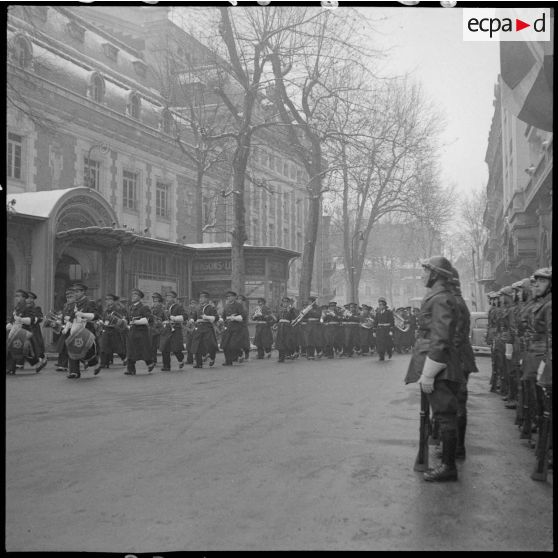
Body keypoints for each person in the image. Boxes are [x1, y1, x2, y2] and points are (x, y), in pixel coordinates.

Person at [405, 256, 463, 482]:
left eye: (425, 271)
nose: (422, 275)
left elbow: (441, 338)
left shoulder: (441, 299)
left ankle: (449, 467)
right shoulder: (439, 296)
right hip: (435, 360)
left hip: (439, 363)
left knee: (445, 414)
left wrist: (429, 372)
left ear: (436, 274)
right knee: (442, 413)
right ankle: (447, 464)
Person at [447, 267, 478, 460]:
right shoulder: (458, 301)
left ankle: (457, 447)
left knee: (457, 403)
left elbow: (455, 337)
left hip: (456, 358)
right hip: (460, 357)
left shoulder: (454, 303)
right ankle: (457, 446)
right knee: (457, 403)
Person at [6, 289, 46, 374]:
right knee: (11, 348)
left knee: (26, 350)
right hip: (16, 330)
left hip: (25, 331)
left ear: (24, 297)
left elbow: (31, 319)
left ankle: (38, 361)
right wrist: (10, 324)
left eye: (19, 296)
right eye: (16, 296)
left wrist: (21, 319)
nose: (17, 298)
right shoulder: (17, 307)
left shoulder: (28, 307)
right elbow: (13, 319)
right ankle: (10, 368)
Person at [65, 283, 100, 379]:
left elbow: (96, 315)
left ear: (83, 292)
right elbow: (72, 317)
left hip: (87, 329)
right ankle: (74, 371)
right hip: (75, 330)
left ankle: (95, 363)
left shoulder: (90, 302)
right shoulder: (74, 304)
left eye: (77, 292)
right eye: (74, 292)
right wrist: (67, 326)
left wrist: (83, 314)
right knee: (73, 348)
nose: (75, 294)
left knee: (88, 350)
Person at [94, 294, 127, 375]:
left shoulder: (117, 309)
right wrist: (101, 322)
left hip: (114, 330)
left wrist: (115, 322)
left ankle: (125, 359)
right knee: (103, 347)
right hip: (106, 330)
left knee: (118, 348)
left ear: (113, 300)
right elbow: (103, 318)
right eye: (106, 299)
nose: (107, 301)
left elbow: (122, 320)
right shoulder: (106, 310)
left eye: (109, 299)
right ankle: (102, 364)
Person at [125, 288, 155, 375]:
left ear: (139, 297)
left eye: (135, 295)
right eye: (133, 295)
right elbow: (128, 319)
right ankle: (131, 369)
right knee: (131, 350)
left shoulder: (143, 307)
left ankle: (150, 363)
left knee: (143, 350)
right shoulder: (131, 307)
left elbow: (149, 319)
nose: (133, 297)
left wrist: (136, 321)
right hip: (132, 332)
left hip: (141, 333)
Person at [190, 291, 219, 368]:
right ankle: (199, 363)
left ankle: (212, 357)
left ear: (207, 299)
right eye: (200, 298)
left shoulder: (211, 307)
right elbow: (194, 316)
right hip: (199, 328)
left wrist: (206, 317)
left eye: (203, 298)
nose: (200, 299)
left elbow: (216, 318)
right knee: (197, 345)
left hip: (207, 328)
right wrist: (192, 319)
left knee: (210, 345)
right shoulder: (198, 308)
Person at [159, 291, 186, 371]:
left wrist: (174, 318)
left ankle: (181, 359)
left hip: (175, 329)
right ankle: (166, 366)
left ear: (174, 298)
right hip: (166, 329)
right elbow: (161, 317)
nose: (168, 299)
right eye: (167, 297)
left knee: (176, 349)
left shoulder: (178, 307)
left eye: (170, 297)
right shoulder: (165, 308)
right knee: (165, 348)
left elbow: (184, 316)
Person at [220, 291, 247, 366]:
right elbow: (223, 316)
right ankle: (228, 361)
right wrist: (221, 321)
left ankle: (240, 353)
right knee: (225, 345)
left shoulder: (238, 305)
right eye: (227, 296)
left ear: (234, 297)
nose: (228, 298)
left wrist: (234, 318)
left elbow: (243, 316)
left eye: (230, 296)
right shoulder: (226, 306)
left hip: (236, 328)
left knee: (233, 345)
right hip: (228, 328)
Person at [25, 291, 48, 371]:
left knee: (36, 345)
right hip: (24, 330)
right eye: (27, 298)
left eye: (31, 298)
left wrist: (35, 319)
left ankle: (40, 360)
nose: (29, 300)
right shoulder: (21, 308)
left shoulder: (37, 308)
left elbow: (40, 317)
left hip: (34, 330)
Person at [276, 297, 297, 363]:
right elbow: (277, 319)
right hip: (280, 327)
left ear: (288, 303)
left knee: (288, 342)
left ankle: (291, 353)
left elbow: (294, 318)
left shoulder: (291, 310)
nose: (285, 303)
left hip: (287, 327)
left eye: (286, 302)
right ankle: (281, 358)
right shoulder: (280, 310)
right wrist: (275, 324)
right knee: (280, 342)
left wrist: (291, 311)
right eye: (283, 302)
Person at [301, 296, 322, 360]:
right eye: (308, 301)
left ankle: (318, 352)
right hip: (309, 325)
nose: (309, 302)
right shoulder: (307, 308)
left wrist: (310, 311)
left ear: (313, 301)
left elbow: (318, 315)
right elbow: (304, 317)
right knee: (308, 340)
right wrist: (304, 313)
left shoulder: (318, 308)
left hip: (315, 325)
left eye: (310, 301)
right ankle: (310, 354)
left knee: (315, 340)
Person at [149, 293, 165, 366]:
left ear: (159, 302)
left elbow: (161, 318)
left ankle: (165, 360)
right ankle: (153, 360)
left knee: (160, 345)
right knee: (153, 346)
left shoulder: (162, 308)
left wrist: (155, 317)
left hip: (159, 329)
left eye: (156, 301)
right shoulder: (152, 308)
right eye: (154, 301)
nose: (155, 303)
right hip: (153, 329)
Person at [236, 294, 252, 362]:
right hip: (237, 327)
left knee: (245, 342)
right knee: (237, 342)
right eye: (238, 299)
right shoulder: (236, 307)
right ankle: (239, 355)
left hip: (243, 327)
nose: (239, 300)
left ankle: (247, 356)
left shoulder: (244, 308)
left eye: (241, 299)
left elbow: (243, 317)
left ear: (243, 301)